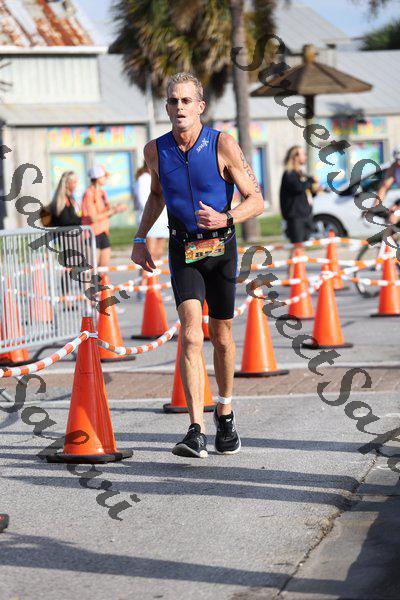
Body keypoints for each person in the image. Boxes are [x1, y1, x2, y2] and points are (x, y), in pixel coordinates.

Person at [131, 72, 264, 459]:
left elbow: (256, 199)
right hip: (183, 249)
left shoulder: (222, 144)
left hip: (220, 249)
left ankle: (225, 410)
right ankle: (195, 429)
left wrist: (227, 217)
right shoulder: (155, 150)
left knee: (221, 336)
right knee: (190, 335)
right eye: (173, 101)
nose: (179, 107)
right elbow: (157, 195)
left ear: (200, 106)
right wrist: (139, 239)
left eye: (186, 101)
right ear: (166, 107)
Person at [82, 165, 127, 267]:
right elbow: (93, 218)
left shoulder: (102, 192)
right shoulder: (88, 194)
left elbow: (105, 214)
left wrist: (116, 209)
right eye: (104, 176)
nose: (106, 178)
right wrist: (113, 211)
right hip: (92, 233)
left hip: (103, 232)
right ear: (97, 178)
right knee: (92, 269)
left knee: (104, 269)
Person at [375, 145, 400, 224]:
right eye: (397, 159)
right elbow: (384, 187)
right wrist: (376, 206)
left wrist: (397, 209)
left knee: (394, 218)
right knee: (388, 220)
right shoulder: (394, 167)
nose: (398, 162)